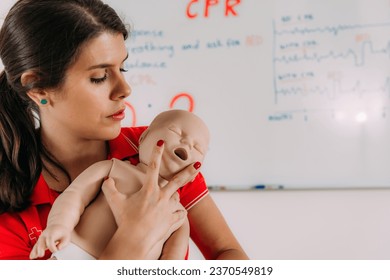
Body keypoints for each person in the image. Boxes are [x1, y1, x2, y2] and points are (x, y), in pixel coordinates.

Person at [0, 0, 248, 260]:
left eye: (122, 68)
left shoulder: (161, 149)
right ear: (38, 88)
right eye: (99, 77)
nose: (125, 89)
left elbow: (227, 254)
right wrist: (134, 238)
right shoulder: (11, 197)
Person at [29, 110, 209, 260]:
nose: (187, 143)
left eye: (198, 148)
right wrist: (59, 225)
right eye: (176, 131)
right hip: (73, 257)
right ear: (144, 137)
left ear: (194, 175)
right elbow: (75, 195)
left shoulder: (178, 215)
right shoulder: (113, 168)